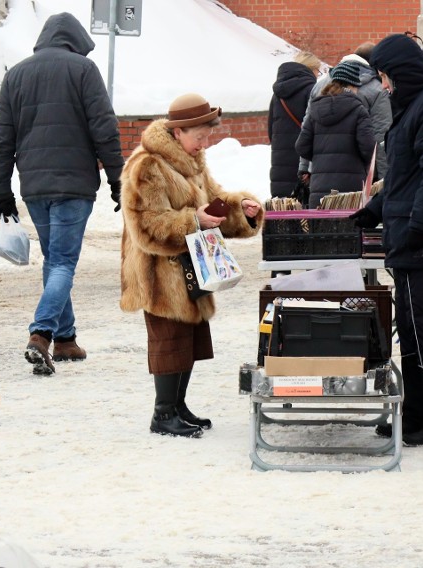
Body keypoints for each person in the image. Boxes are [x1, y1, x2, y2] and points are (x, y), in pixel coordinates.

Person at [120, 93, 264, 438]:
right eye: (199, 137)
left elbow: (214, 202)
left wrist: (238, 208)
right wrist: (192, 221)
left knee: (187, 339)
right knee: (168, 341)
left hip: (190, 267)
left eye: (207, 137)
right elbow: (147, 226)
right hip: (159, 272)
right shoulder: (148, 166)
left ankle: (178, 406)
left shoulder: (193, 161)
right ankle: (163, 413)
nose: (204, 144)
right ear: (178, 133)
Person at [350, 33, 423, 446]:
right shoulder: (416, 105)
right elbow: (404, 179)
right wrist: (376, 211)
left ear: (401, 72)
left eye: (385, 77)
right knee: (413, 332)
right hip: (409, 242)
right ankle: (418, 413)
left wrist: (418, 227)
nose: (384, 86)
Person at [0, 12, 124, 376]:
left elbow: (2, 140)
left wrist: (1, 190)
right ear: (76, 41)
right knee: (63, 261)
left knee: (54, 259)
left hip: (34, 186)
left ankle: (66, 339)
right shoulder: (83, 70)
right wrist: (118, 178)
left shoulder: (16, 75)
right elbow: (105, 129)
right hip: (74, 184)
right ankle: (42, 333)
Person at [295, 60, 376, 208]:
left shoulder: (315, 108)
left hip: (320, 190)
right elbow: (369, 147)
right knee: (348, 230)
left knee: (322, 230)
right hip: (351, 193)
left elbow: (301, 146)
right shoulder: (359, 110)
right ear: (352, 85)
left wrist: (320, 156)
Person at [268, 51, 319, 198]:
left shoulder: (277, 94)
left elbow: (270, 128)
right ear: (311, 69)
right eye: (318, 71)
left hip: (280, 159)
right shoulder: (312, 90)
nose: (318, 75)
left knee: (285, 208)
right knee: (305, 208)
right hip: (303, 158)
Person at [340, 43, 392, 180]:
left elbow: (307, 131)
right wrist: (384, 180)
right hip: (360, 174)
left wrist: (306, 169)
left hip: (320, 175)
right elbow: (381, 135)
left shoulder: (321, 84)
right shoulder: (377, 90)